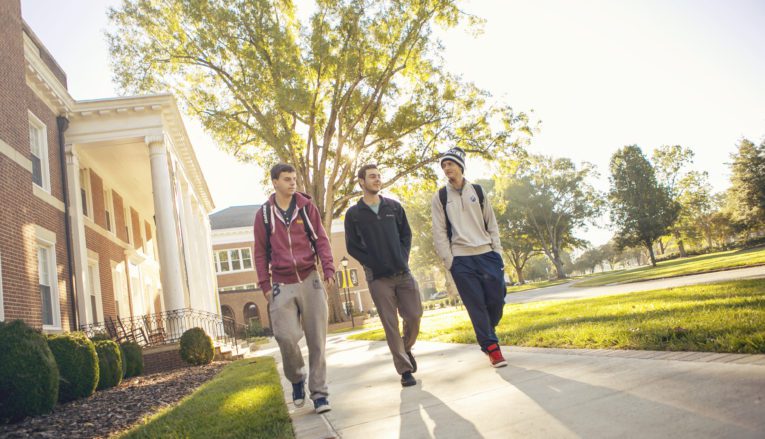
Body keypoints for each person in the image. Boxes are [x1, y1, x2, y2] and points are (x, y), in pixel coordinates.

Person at [253, 163, 336, 413]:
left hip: (309, 278)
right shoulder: (264, 215)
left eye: (294, 179)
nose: (292, 183)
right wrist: (265, 284)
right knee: (285, 337)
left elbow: (321, 239)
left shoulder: (306, 207)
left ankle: (320, 394)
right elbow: (259, 253)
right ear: (275, 183)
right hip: (281, 284)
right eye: (287, 179)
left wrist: (328, 268)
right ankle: (297, 378)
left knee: (317, 341)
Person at [344, 164, 423, 387]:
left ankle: (406, 348)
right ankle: (405, 370)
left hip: (403, 272)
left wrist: (402, 256)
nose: (377, 180)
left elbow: (406, 234)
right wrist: (373, 263)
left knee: (414, 315)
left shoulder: (394, 207)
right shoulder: (354, 214)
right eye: (372, 177)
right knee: (390, 324)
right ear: (361, 181)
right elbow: (352, 247)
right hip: (378, 278)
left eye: (379, 176)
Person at [431, 147, 508, 368]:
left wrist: (497, 252)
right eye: (444, 165)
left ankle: (486, 330)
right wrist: (449, 260)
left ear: (460, 166)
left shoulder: (478, 191)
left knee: (497, 298)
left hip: (487, 254)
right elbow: (439, 231)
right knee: (476, 306)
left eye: (450, 164)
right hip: (461, 260)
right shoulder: (440, 196)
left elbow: (491, 224)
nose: (447, 168)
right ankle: (492, 348)